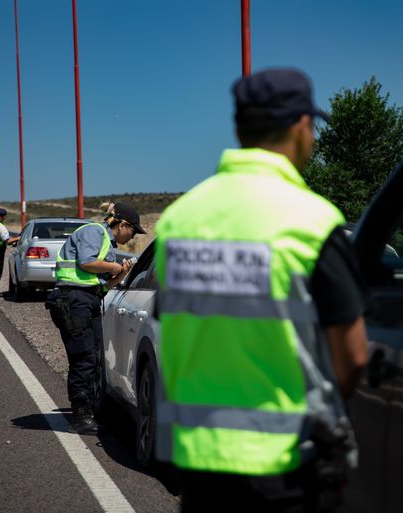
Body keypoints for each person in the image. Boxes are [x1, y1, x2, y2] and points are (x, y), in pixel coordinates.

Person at [154, 68, 369, 512]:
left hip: (199, 463)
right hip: (286, 466)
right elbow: (353, 357)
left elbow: (171, 321)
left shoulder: (179, 219)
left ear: (239, 128)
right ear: (301, 126)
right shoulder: (312, 221)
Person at [46, 202, 145, 434]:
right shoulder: (94, 232)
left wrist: (121, 274)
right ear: (123, 224)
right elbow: (87, 263)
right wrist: (113, 266)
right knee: (84, 359)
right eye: (133, 231)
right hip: (73, 299)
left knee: (94, 358)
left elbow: (101, 288)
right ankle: (81, 417)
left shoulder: (107, 243)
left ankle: (89, 411)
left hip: (87, 298)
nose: (132, 237)